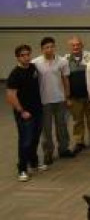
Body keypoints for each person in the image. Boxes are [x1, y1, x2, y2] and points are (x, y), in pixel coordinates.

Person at [7, 44, 45, 181]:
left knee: (35, 138)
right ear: (17, 57)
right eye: (23, 55)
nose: (26, 57)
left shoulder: (33, 68)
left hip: (37, 110)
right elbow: (11, 95)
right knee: (25, 141)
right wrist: (22, 111)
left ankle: (33, 163)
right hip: (24, 113)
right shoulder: (15, 74)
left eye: (28, 54)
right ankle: (22, 169)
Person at [33, 36, 73, 164]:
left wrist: (67, 97)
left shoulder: (62, 61)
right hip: (44, 101)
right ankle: (48, 153)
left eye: (51, 47)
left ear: (55, 47)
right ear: (42, 49)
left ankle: (64, 149)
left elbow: (66, 80)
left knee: (62, 126)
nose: (49, 49)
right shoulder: (35, 63)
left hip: (60, 99)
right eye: (46, 47)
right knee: (46, 129)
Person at [65, 37, 90, 151]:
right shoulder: (66, 60)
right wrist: (67, 97)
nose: (75, 47)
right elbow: (65, 80)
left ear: (82, 46)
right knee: (77, 121)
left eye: (78, 45)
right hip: (75, 97)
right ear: (70, 47)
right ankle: (79, 141)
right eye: (73, 45)